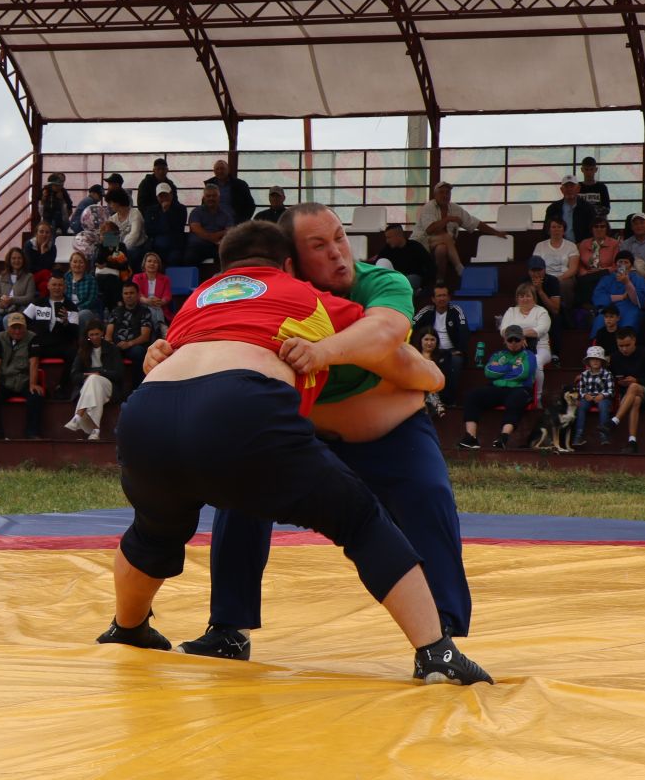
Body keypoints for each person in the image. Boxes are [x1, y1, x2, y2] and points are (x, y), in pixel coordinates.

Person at [103, 219, 487, 685]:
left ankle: (127, 627)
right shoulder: (307, 297)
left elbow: (389, 341)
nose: (335, 255)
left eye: (339, 240)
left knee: (155, 530)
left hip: (149, 415)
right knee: (361, 519)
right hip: (252, 416)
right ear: (292, 263)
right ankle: (435, 653)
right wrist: (433, 377)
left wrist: (339, 356)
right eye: (317, 247)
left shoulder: (202, 298)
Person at [458, 325, 537, 450]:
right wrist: (510, 367)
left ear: (523, 340)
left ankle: (503, 437)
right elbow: (489, 372)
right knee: (472, 395)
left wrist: (501, 371)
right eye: (510, 340)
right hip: (498, 389)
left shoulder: (529, 355)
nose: (513, 343)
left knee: (515, 400)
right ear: (505, 341)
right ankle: (470, 437)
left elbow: (523, 373)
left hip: (520, 388)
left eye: (517, 340)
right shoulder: (498, 355)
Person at [415, 181, 502, 286]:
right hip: (421, 243)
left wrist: (496, 232)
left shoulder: (455, 209)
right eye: (441, 192)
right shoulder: (429, 206)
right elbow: (430, 229)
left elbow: (474, 223)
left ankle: (440, 280)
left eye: (447, 193)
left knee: (442, 248)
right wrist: (448, 219)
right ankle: (459, 267)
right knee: (446, 237)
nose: (445, 195)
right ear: (435, 195)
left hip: (441, 246)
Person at [0, 311, 46, 439]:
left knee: (36, 396)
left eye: (20, 327)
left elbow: (34, 363)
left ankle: (32, 433)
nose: (17, 331)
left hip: (24, 380)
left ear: (25, 327)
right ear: (8, 327)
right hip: (5, 380)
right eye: (14, 327)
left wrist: (33, 384)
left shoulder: (33, 338)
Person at [64, 317, 126, 441]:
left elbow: (119, 374)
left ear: (102, 333)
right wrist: (86, 376)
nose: (94, 337)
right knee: (93, 382)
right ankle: (95, 431)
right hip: (91, 387)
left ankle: (78, 416)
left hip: (110, 386)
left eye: (97, 334)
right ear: (87, 335)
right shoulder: (83, 350)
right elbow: (74, 376)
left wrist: (100, 373)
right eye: (91, 335)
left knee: (94, 379)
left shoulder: (112, 349)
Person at [412, 283, 471, 404]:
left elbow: (464, 330)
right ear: (433, 299)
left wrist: (460, 349)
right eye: (438, 296)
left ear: (449, 297)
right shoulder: (426, 310)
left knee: (456, 361)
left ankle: (450, 400)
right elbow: (412, 324)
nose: (441, 298)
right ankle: (421, 400)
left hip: (451, 350)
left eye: (444, 295)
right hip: (431, 348)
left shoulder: (456, 310)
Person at [606, 326, 645, 452]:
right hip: (629, 398)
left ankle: (615, 420)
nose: (624, 349)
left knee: (634, 387)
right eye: (620, 346)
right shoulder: (615, 358)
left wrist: (637, 380)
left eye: (627, 345)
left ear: (634, 341)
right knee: (635, 399)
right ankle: (632, 441)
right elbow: (609, 377)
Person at [107, 281, 154, 388]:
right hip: (116, 346)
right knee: (109, 351)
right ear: (122, 295)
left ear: (138, 295)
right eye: (126, 293)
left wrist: (129, 344)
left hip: (134, 346)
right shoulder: (116, 311)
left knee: (138, 352)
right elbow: (108, 334)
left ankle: (136, 387)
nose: (129, 296)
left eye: (131, 293)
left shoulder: (144, 311)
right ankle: (115, 388)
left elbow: (145, 336)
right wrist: (110, 344)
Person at [497, 280, 553, 368]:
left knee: (535, 361)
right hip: (514, 348)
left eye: (528, 296)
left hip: (540, 348)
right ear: (517, 299)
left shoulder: (541, 311)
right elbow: (503, 330)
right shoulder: (511, 311)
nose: (525, 299)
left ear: (534, 298)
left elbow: (541, 330)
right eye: (521, 296)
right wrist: (519, 338)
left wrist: (518, 334)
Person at [520, 254, 565, 360]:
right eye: (533, 271)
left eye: (539, 270)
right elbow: (522, 304)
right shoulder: (524, 282)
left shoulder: (552, 281)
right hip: (530, 311)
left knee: (556, 319)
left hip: (549, 312)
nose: (536, 274)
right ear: (529, 271)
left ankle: (555, 353)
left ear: (544, 270)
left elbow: (555, 308)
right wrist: (532, 290)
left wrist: (540, 291)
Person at [591, 249, 645, 333]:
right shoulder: (606, 279)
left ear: (631, 265)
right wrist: (621, 297)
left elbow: (641, 301)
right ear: (615, 264)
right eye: (620, 262)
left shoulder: (638, 279)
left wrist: (627, 283)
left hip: (631, 308)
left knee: (631, 318)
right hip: (610, 308)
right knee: (601, 319)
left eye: (626, 262)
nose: (623, 265)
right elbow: (598, 296)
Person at [26, 275, 79, 359]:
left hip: (61, 344)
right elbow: (24, 319)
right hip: (40, 342)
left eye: (60, 285)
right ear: (48, 286)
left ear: (65, 287)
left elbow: (75, 333)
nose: (57, 288)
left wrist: (66, 322)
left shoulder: (71, 307)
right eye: (54, 285)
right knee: (31, 351)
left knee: (73, 353)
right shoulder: (38, 303)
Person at [574, 216, 621, 308]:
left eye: (602, 226)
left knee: (588, 281)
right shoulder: (584, 243)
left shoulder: (614, 243)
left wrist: (602, 270)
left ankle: (595, 306)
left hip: (606, 273)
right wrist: (584, 272)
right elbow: (579, 263)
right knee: (583, 280)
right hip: (587, 274)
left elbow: (617, 265)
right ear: (592, 229)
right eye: (596, 226)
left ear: (607, 229)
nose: (599, 229)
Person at [573, 346, 615, 447]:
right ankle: (578, 435)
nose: (595, 361)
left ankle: (604, 434)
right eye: (593, 359)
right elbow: (581, 389)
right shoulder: (584, 374)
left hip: (602, 398)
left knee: (603, 406)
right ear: (588, 362)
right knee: (582, 406)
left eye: (598, 359)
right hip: (589, 398)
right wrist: (585, 395)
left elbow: (611, 390)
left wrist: (602, 395)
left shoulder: (607, 374)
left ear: (602, 362)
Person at [374, 223, 434, 291]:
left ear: (399, 236)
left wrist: (423, 286)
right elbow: (377, 263)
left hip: (412, 278)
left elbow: (430, 266)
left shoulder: (415, 246)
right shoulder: (387, 249)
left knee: (408, 280)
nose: (387, 241)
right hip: (395, 279)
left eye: (389, 237)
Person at [185, 184, 231, 268]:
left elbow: (230, 231)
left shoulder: (226, 213)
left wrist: (214, 238)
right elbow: (197, 230)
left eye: (214, 196)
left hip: (218, 246)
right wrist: (215, 237)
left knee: (231, 257)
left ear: (219, 197)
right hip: (198, 246)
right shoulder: (196, 212)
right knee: (188, 259)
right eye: (208, 196)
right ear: (204, 198)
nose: (211, 198)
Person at [203, 158, 254, 229]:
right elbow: (204, 204)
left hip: (235, 222)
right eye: (217, 169)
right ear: (214, 171)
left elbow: (250, 205)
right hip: (213, 221)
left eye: (222, 168)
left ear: (228, 170)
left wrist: (242, 222)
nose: (220, 171)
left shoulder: (240, 185)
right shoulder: (209, 185)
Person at [143, 185, 186, 266]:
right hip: (155, 246)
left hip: (175, 245)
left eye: (166, 195)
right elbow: (148, 230)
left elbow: (178, 227)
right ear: (157, 197)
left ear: (171, 195)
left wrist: (166, 213)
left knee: (174, 259)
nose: (164, 198)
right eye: (161, 196)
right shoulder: (150, 210)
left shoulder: (181, 209)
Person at [531, 215, 579, 283]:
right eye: (553, 227)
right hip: (544, 278)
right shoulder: (540, 245)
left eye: (559, 227)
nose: (556, 229)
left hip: (565, 278)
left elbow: (573, 269)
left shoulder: (572, 246)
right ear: (549, 230)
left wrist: (558, 279)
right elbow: (536, 266)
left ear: (563, 230)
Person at [134, 250, 173, 331]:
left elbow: (167, 295)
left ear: (158, 265)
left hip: (159, 305)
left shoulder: (165, 279)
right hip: (142, 306)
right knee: (153, 306)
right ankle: (161, 326)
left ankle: (155, 328)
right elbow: (136, 293)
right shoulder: (137, 277)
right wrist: (146, 301)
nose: (152, 264)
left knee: (154, 306)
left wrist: (161, 301)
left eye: (155, 262)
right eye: (149, 261)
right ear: (144, 264)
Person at [575, 155, 611, 223]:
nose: (589, 173)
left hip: (598, 226)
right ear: (582, 170)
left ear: (596, 169)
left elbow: (607, 209)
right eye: (586, 169)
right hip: (581, 225)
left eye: (591, 169)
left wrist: (586, 210)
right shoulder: (576, 187)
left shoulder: (602, 187)